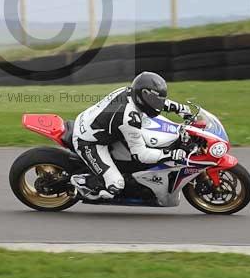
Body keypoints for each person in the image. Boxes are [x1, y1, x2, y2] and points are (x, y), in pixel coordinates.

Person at [70, 71, 191, 200]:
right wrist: (170, 155)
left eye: (159, 99)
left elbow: (155, 101)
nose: (158, 103)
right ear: (142, 95)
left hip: (94, 124)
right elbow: (141, 155)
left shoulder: (130, 92)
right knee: (116, 185)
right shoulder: (129, 119)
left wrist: (179, 108)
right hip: (89, 141)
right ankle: (84, 182)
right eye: (154, 99)